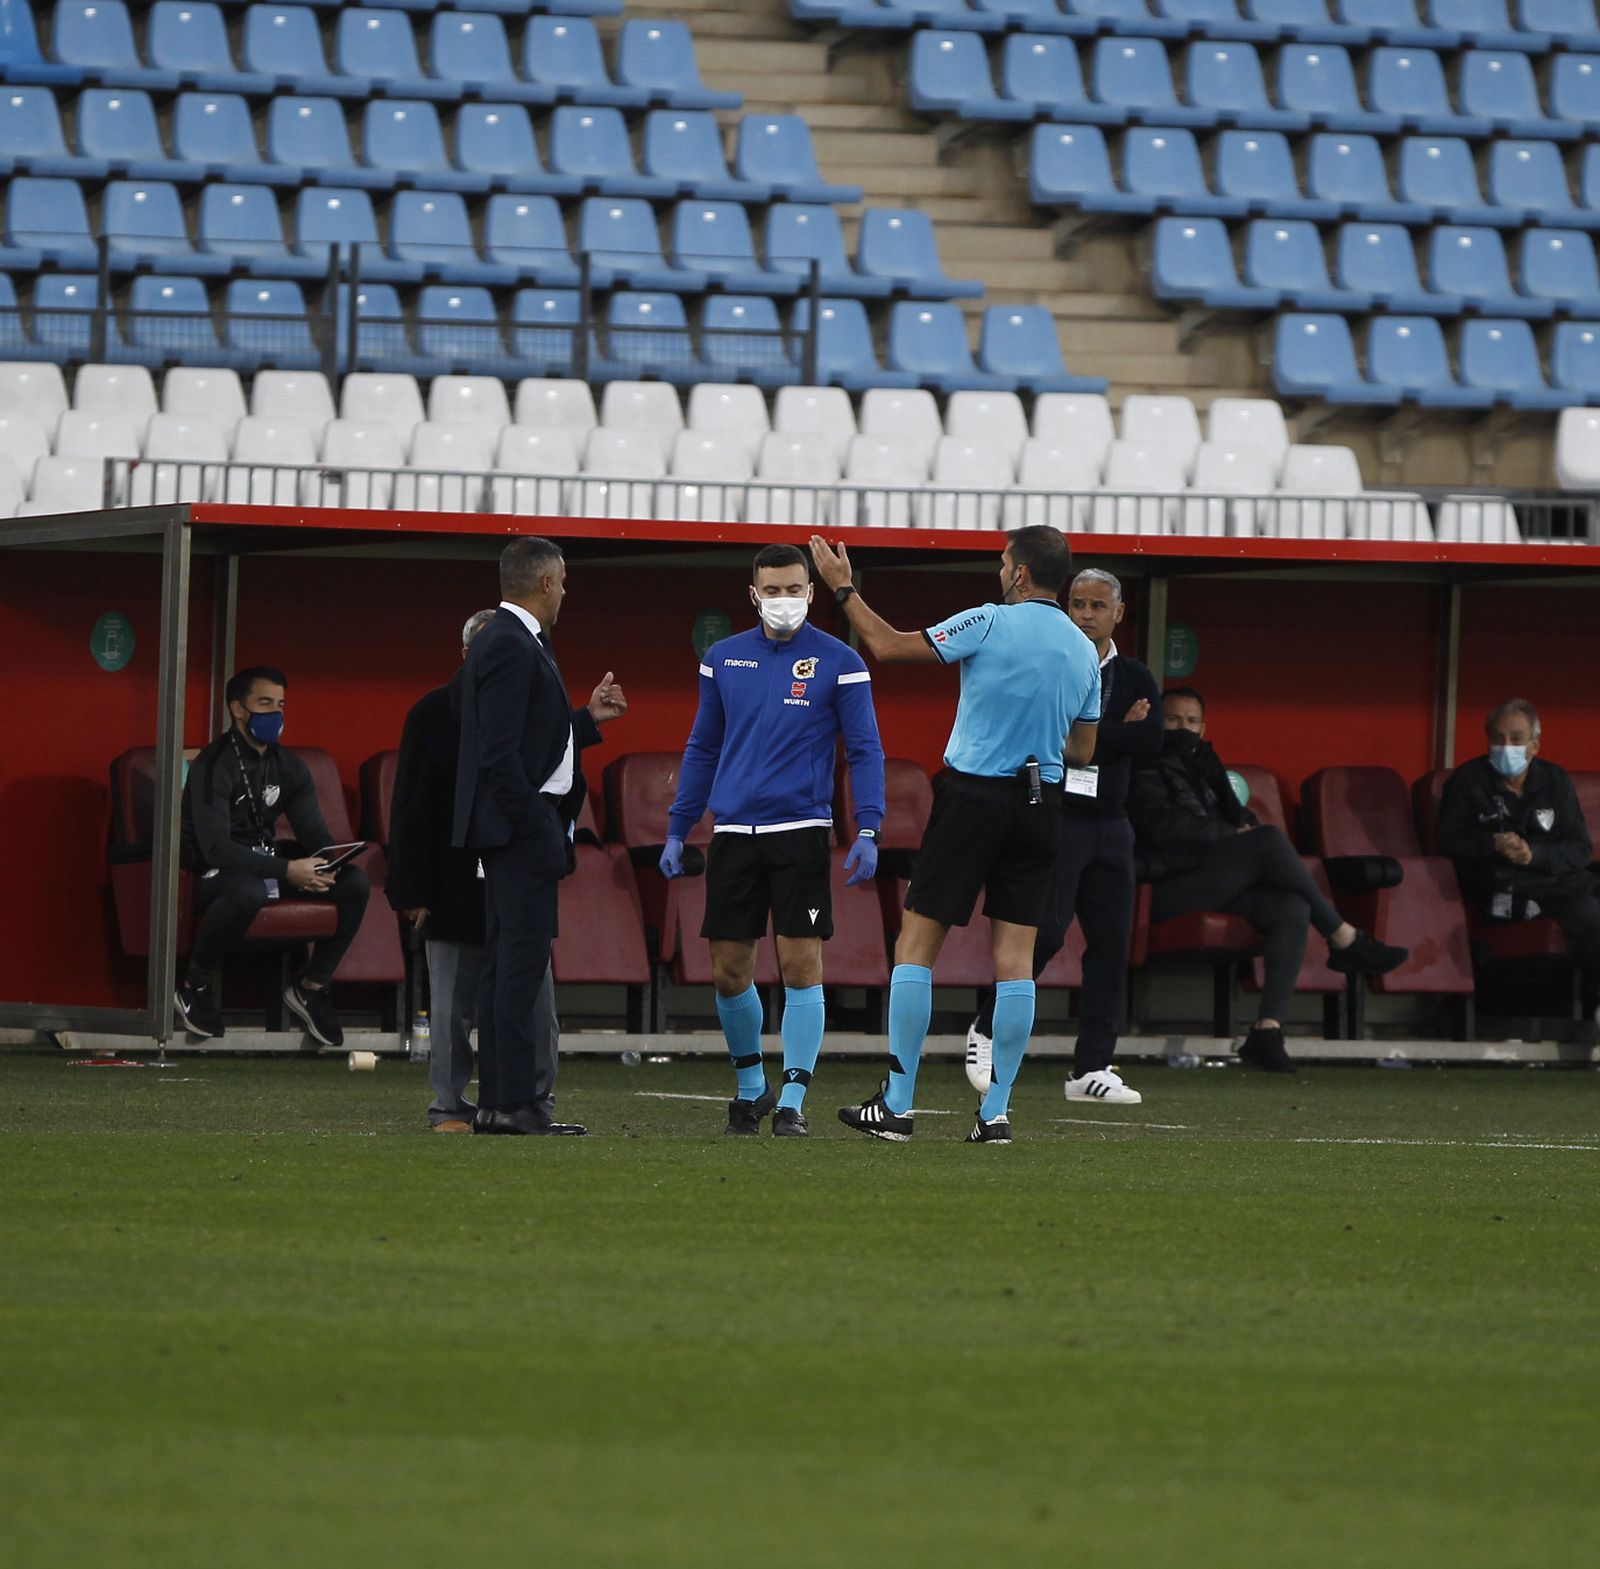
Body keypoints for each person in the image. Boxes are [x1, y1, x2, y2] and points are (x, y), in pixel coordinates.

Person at [809, 525, 1101, 1145]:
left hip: (974, 794)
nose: (1000, 572)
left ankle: (898, 1104)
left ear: (1020, 573)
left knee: (917, 943)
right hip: (1042, 800)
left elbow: (886, 647)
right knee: (1016, 961)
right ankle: (994, 1114)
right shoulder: (1083, 650)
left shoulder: (989, 621)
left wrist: (843, 589)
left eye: (1003, 563)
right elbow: (1082, 748)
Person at [660, 543, 886, 1138]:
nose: (783, 600)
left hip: (801, 833)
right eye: (772, 590)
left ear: (811, 593)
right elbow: (702, 746)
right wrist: (679, 826)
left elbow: (864, 750)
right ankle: (750, 1086)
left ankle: (793, 1099)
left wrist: (868, 826)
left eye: (794, 589)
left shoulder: (841, 661)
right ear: (753, 594)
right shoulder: (722, 658)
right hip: (733, 833)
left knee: (799, 963)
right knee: (729, 970)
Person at [1128, 687, 1407, 1073]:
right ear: (1157, 720)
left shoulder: (1205, 768)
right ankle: (1342, 936)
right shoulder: (1141, 764)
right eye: (1174, 719)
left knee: (1291, 906)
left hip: (1211, 879)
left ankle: (1267, 1031)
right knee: (1270, 841)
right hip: (1163, 887)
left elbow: (1235, 816)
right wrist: (1232, 836)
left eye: (1192, 722)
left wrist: (1241, 828)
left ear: (1205, 727)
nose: (1184, 728)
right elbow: (1158, 826)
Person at [965, 568, 1163, 1106]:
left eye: (1099, 605)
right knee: (1045, 934)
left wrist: (1101, 735)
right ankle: (985, 1028)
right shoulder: (1054, 661)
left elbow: (1150, 740)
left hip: (1112, 822)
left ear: (1118, 613)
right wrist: (1112, 732)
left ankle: (1091, 1067)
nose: (1086, 614)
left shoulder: (1138, 676)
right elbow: (1057, 735)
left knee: (1111, 946)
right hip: (1060, 814)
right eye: (1078, 603)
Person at [453, 538, 628, 1137]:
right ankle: (512, 1105)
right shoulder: (509, 641)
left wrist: (585, 720)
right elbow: (500, 758)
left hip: (517, 829)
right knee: (517, 972)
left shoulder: (513, 639)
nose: (565, 593)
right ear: (548, 581)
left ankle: (501, 1103)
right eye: (564, 581)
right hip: (520, 832)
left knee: (509, 969)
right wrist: (541, 830)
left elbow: (532, 742)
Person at [388, 609, 575, 1134]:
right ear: (470, 655)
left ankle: (531, 1099)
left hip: (516, 875)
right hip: (450, 883)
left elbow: (558, 783)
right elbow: (411, 808)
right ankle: (449, 1105)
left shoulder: (535, 708)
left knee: (537, 1006)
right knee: (450, 1007)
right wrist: (411, 888)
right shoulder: (431, 714)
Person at [175, 666, 371, 1048]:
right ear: (238, 709)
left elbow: (315, 835)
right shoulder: (213, 764)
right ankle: (192, 985)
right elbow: (215, 847)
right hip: (212, 871)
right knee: (248, 890)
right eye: (264, 704)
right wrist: (287, 870)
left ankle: (312, 987)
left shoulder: (289, 766)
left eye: (280, 704)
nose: (275, 714)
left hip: (265, 863)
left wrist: (325, 864)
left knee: (353, 883)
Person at [1436, 699, 1600, 1033]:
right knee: (1588, 912)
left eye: (1516, 739)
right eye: (1497, 739)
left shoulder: (1554, 780)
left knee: (1585, 894)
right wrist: (1492, 845)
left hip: (1558, 879)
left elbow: (1581, 849)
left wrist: (1533, 855)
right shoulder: (1467, 781)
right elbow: (1448, 843)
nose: (1505, 747)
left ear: (1535, 745)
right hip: (1501, 887)